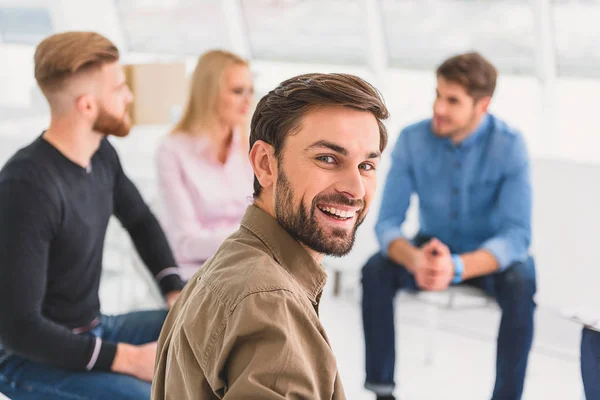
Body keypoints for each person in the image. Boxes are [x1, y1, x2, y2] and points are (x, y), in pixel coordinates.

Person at [151, 73, 389, 399]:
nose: (355, 189)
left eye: (366, 165)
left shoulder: (233, 265)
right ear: (265, 164)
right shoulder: (268, 301)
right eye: (328, 159)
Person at [0, 31, 184, 400]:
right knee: (142, 393)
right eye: (119, 89)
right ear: (87, 106)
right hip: (28, 360)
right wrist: (128, 359)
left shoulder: (101, 155)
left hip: (95, 330)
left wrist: (174, 291)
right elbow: (18, 329)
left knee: (206, 322)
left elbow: (140, 221)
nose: (129, 96)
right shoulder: (26, 187)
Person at [361, 52, 536, 400]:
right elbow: (387, 223)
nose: (438, 108)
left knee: (522, 279)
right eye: (438, 94)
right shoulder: (412, 140)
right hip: (429, 247)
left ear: (482, 105)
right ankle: (382, 391)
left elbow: (517, 235)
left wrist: (456, 267)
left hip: (485, 255)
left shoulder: (510, 146)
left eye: (452, 100)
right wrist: (414, 259)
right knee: (375, 270)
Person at [155, 50, 254, 280]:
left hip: (251, 263)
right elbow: (186, 243)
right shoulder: (172, 151)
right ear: (209, 93)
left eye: (250, 91)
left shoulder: (252, 147)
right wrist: (253, 239)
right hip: (200, 272)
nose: (248, 100)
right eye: (238, 91)